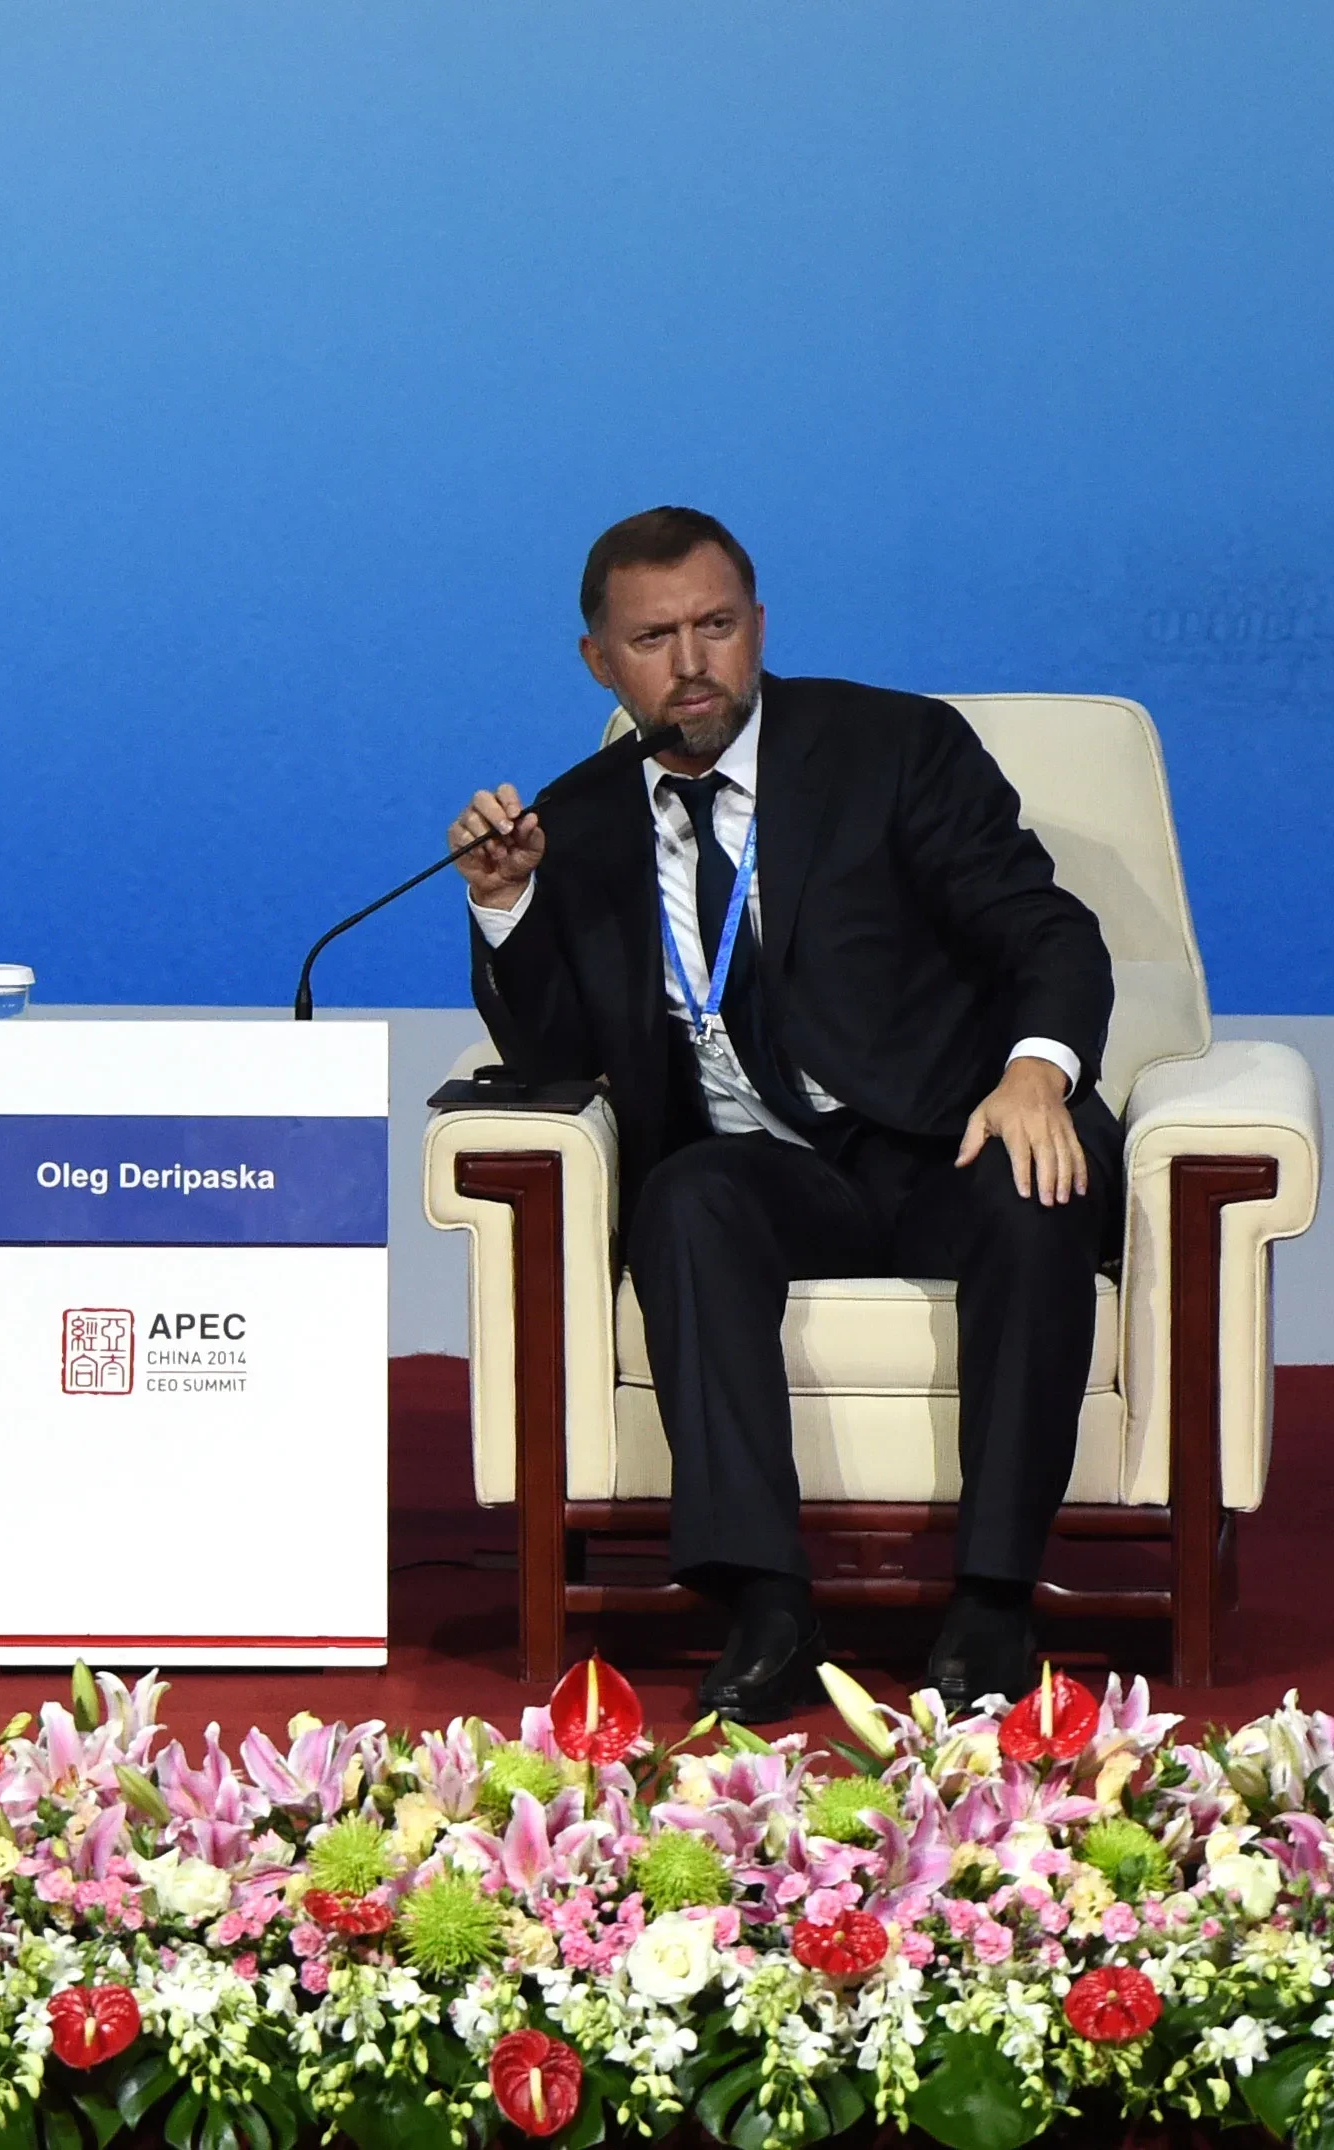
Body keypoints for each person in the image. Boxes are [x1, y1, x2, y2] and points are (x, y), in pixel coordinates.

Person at [451, 508, 1116, 1721]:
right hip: (772, 1171)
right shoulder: (580, 818)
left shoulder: (892, 749)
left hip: (952, 1137)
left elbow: (1048, 930)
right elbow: (555, 1057)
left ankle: (992, 1599)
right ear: (600, 660)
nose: (691, 662)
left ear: (758, 626)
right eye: (654, 638)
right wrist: (508, 907)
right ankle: (765, 1601)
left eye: (716, 625)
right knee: (686, 1196)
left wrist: (1038, 1073)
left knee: (1031, 1189)